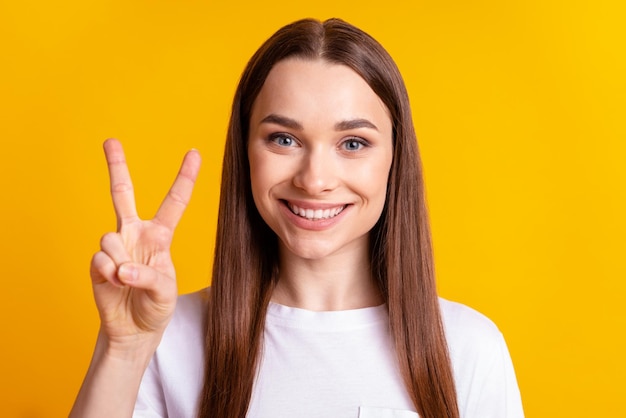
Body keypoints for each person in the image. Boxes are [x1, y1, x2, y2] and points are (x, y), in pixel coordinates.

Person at [70, 18, 524, 418]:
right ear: (245, 153)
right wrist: (124, 351)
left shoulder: (468, 349)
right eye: (284, 139)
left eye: (353, 143)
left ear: (394, 158)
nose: (314, 179)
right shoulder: (166, 335)